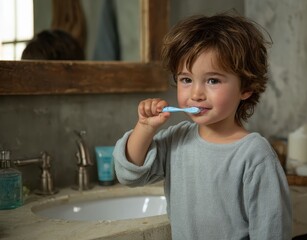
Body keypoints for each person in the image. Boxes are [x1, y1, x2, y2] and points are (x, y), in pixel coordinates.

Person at [113, 13, 292, 240]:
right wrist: (145, 128)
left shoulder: (255, 155)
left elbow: (271, 232)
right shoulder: (176, 139)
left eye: (213, 80)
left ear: (246, 88)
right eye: (186, 79)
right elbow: (129, 175)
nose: (196, 94)